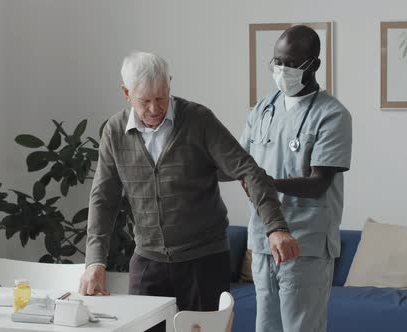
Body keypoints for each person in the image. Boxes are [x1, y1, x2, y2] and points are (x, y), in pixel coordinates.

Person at [79, 51, 300, 331]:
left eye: (161, 98)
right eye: (144, 101)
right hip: (148, 261)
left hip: (204, 260)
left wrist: (276, 227)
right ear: (126, 93)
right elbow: (103, 199)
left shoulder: (198, 120)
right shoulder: (114, 131)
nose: (154, 109)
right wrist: (95, 261)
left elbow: (248, 169)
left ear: (169, 84)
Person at [239, 25, 352, 332]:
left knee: (301, 328)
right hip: (264, 241)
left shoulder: (332, 114)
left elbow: (319, 182)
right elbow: (241, 164)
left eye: (291, 63)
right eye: (277, 61)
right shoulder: (264, 109)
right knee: (267, 327)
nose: (282, 70)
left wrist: (265, 183)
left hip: (306, 245)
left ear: (313, 65)